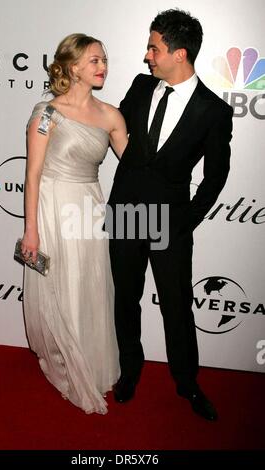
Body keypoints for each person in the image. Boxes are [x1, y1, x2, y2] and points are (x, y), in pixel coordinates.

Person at [107, 9, 233, 421]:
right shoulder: (141, 87)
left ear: (180, 54)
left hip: (169, 221)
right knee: (126, 298)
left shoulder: (212, 111)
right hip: (126, 211)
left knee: (176, 305)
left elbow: (216, 175)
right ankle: (129, 371)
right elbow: (118, 135)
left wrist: (186, 220)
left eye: (154, 48)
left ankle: (187, 382)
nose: (147, 57)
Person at [21, 33, 127, 415]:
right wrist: (31, 229)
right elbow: (32, 174)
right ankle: (66, 363)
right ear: (74, 66)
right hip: (51, 204)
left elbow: (135, 168)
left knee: (91, 286)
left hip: (89, 207)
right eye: (95, 60)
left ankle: (92, 364)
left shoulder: (111, 114)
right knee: (61, 287)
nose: (103, 66)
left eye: (104, 60)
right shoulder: (48, 112)